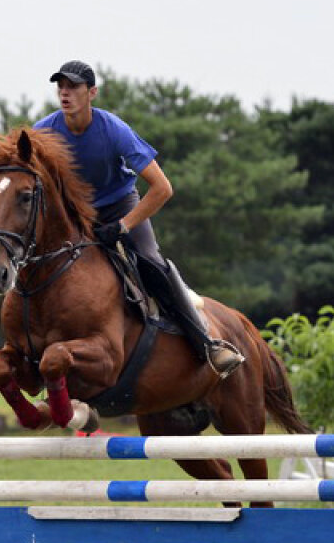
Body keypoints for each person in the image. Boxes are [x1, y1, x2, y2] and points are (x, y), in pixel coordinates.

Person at [34, 60, 245, 378]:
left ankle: (207, 344)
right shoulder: (44, 132)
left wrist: (123, 226)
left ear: (92, 93)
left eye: (73, 87)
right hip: (75, 214)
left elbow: (162, 188)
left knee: (149, 259)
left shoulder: (113, 130)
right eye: (61, 87)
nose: (65, 93)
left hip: (119, 207)